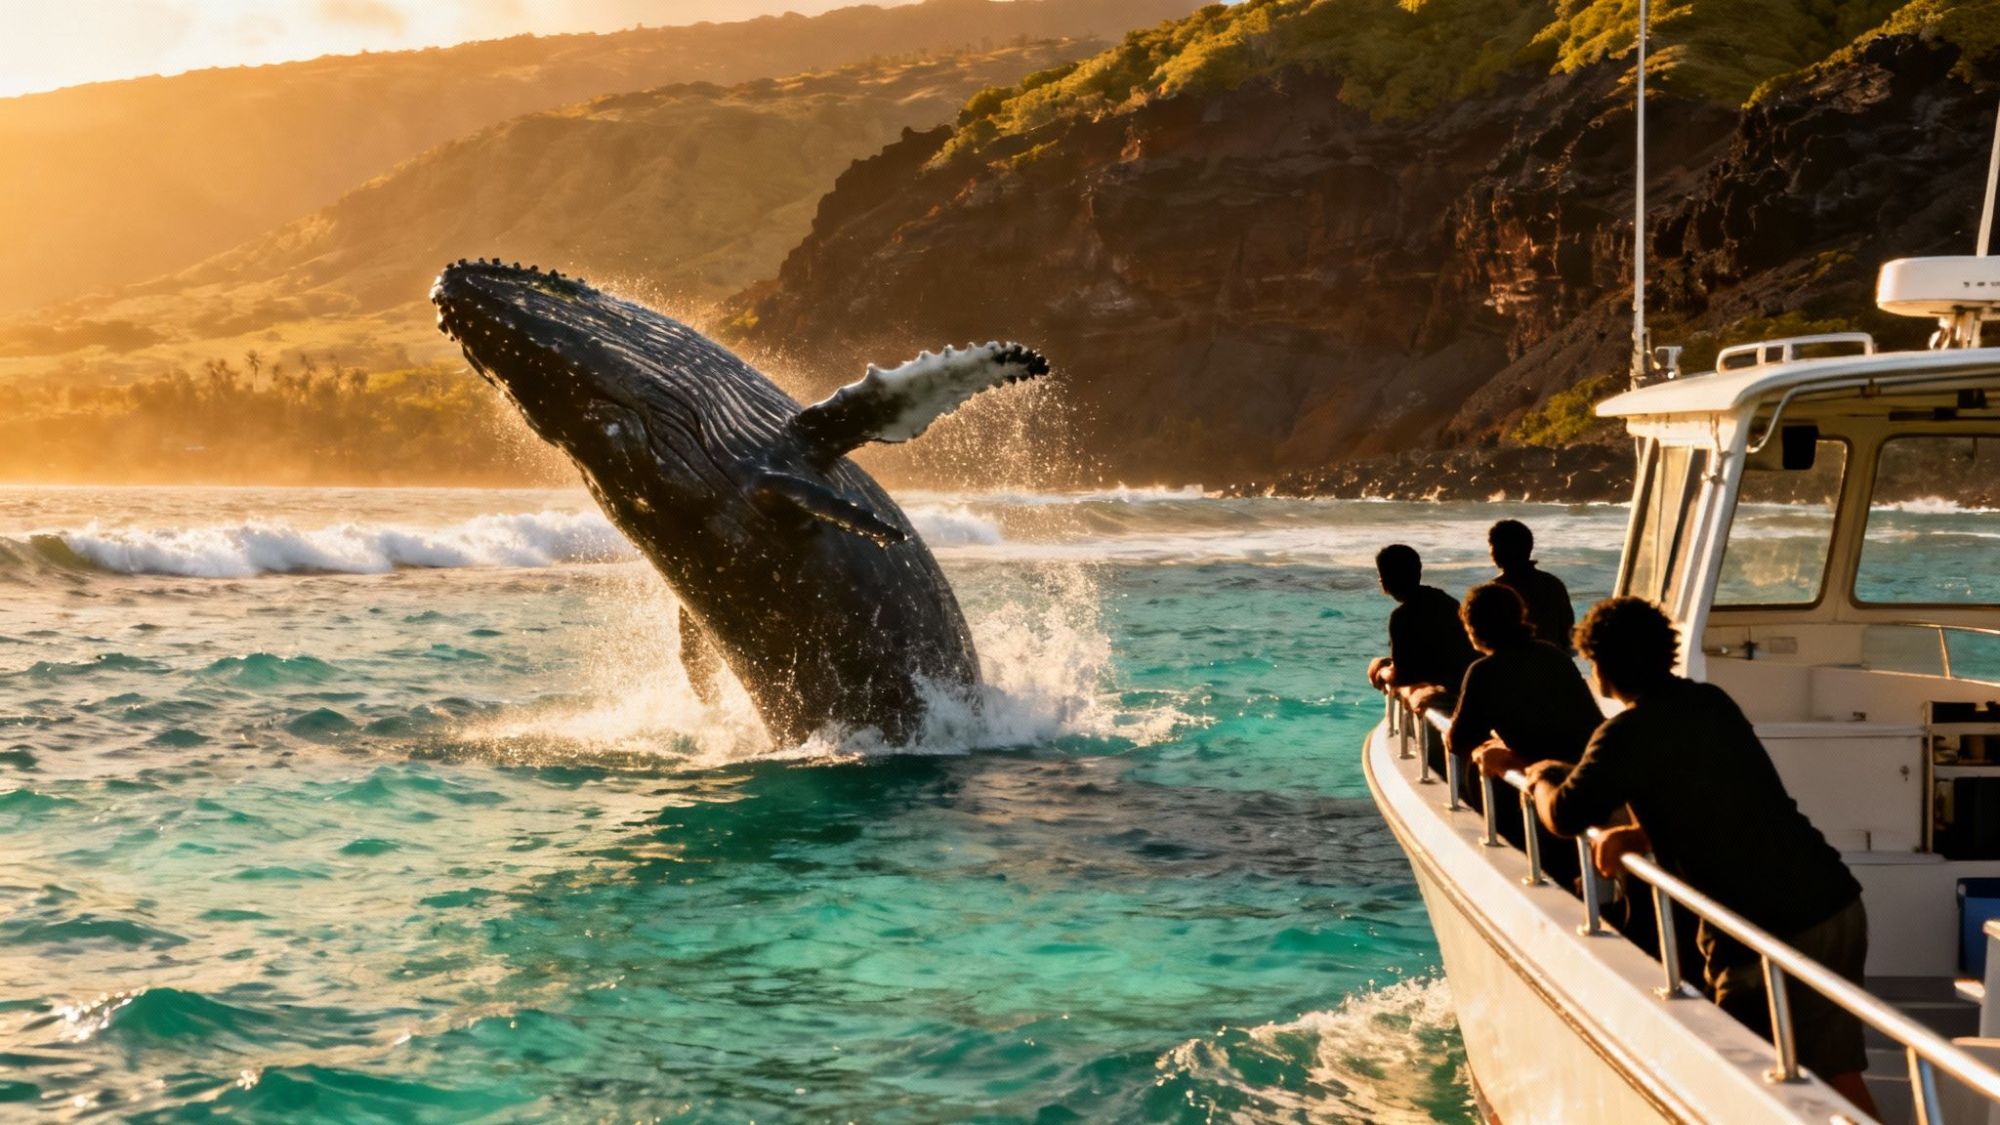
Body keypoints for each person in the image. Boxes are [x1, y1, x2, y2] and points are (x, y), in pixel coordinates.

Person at [1478, 598, 1874, 1114]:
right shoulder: (1712, 703)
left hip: (1766, 930)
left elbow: (1565, 815)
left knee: (1740, 1077)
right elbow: (1719, 799)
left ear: (1602, 666)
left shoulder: (1624, 734)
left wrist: (1536, 773)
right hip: (1832, 902)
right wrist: (1639, 836)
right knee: (1833, 1071)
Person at [1446, 585, 1602, 882]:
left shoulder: (1484, 671)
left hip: (1543, 782)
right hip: (1586, 771)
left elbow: (1458, 740)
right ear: (1520, 617)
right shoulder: (1552, 654)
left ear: (1472, 628)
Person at [1366, 543, 1477, 698]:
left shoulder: (1402, 617)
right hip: (1463, 684)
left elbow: (1402, 676)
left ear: (1384, 582)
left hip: (1443, 690)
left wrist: (1381, 671)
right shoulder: (1448, 602)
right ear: (1418, 573)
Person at [1487, 519, 1575, 653]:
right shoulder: (1552, 584)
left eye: (1493, 545)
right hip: (1553, 662)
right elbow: (1567, 633)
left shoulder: (1494, 590)